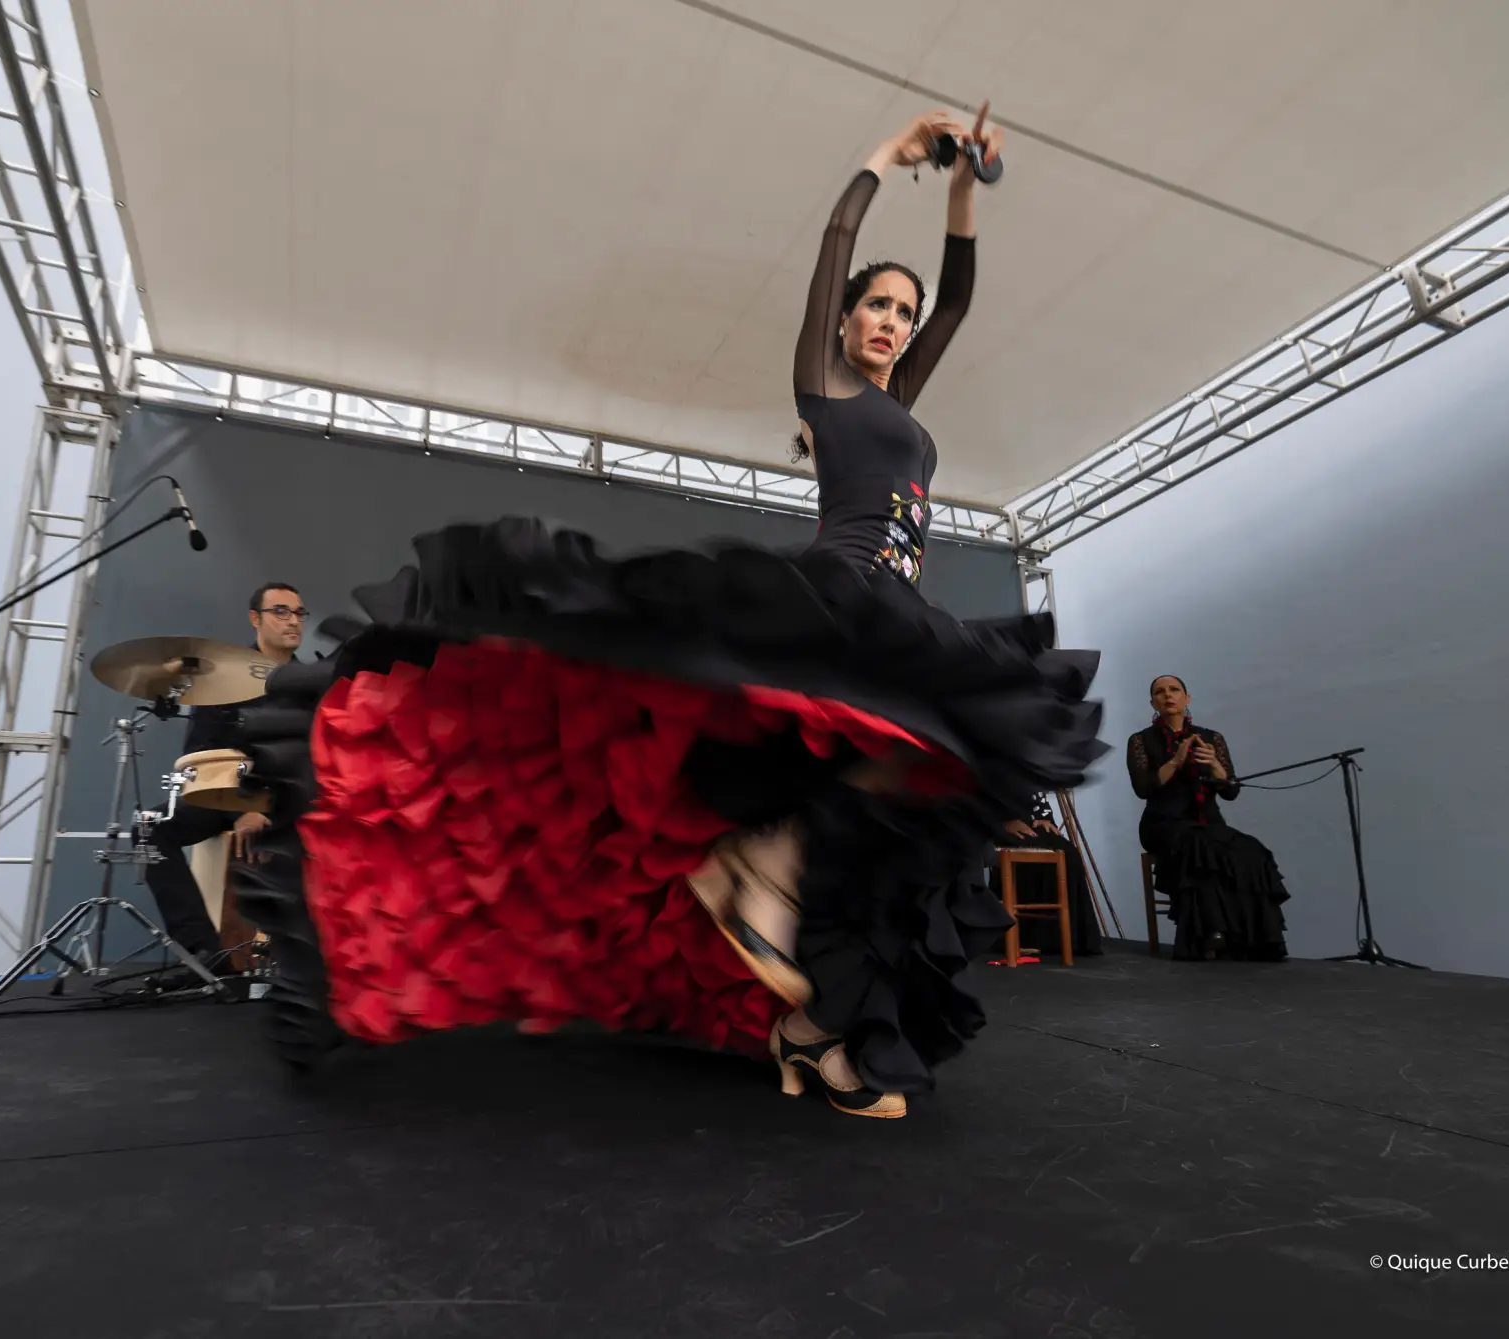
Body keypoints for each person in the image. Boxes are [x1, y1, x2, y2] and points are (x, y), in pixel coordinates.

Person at [231, 105, 1109, 1119]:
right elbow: (832, 249)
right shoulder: (826, 388)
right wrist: (887, 158)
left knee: (921, 800)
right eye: (876, 305)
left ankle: (814, 1032)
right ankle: (763, 870)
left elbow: (958, 299)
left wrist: (962, 189)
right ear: (843, 322)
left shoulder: (901, 400)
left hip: (899, 608)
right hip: (846, 589)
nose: (892, 321)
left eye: (901, 314)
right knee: (941, 743)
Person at [141, 582, 305, 968]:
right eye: (281, 611)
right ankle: (202, 950)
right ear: (255, 619)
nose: (292, 621)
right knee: (150, 829)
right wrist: (241, 809)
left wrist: (271, 806)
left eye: (299, 613)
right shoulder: (223, 678)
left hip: (291, 798)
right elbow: (198, 754)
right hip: (229, 799)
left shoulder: (313, 683)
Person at [1127, 675, 1289, 961]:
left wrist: (1214, 764)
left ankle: (1249, 937)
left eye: (1174, 690)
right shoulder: (1141, 740)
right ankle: (1209, 931)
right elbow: (1143, 788)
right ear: (1153, 702)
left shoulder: (1211, 738)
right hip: (1162, 823)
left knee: (1251, 850)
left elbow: (1230, 793)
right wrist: (1176, 761)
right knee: (1198, 845)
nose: (1168, 696)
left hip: (1207, 823)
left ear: (1187, 699)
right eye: (1160, 692)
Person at [989, 794, 1104, 958]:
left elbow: (1037, 799)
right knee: (1034, 850)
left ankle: (1070, 938)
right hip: (994, 829)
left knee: (1067, 851)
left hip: (1028, 826)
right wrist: (1001, 824)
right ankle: (1027, 936)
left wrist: (1045, 820)